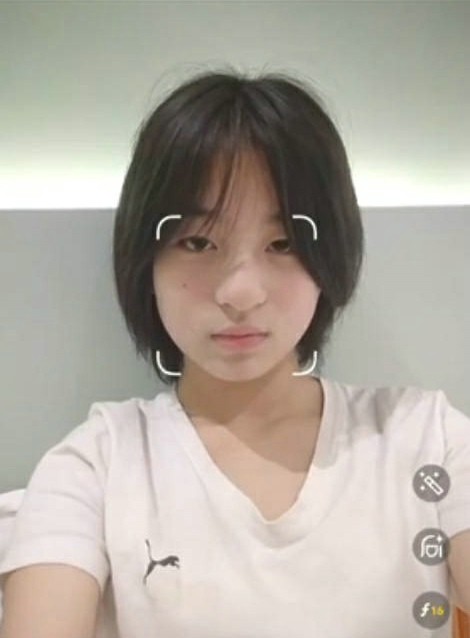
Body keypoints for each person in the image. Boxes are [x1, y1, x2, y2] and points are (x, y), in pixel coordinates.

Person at [1, 66, 469, 638]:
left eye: (283, 243)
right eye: (198, 242)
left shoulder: (427, 438)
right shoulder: (95, 467)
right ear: (146, 261)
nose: (240, 292)